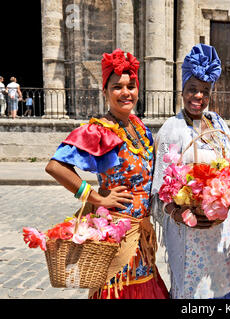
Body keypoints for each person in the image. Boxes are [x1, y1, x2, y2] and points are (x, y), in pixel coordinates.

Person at [45, 48, 169, 299]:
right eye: (117, 87)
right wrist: (95, 197)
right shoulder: (99, 130)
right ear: (105, 91)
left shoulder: (139, 127)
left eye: (131, 86)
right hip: (118, 235)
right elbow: (55, 166)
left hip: (141, 237)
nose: (126, 92)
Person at [151, 44, 230, 299]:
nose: (198, 96)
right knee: (194, 291)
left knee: (220, 285)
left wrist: (223, 198)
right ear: (182, 91)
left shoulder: (218, 123)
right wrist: (178, 214)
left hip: (219, 230)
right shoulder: (172, 129)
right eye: (193, 89)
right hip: (188, 232)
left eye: (205, 91)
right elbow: (158, 191)